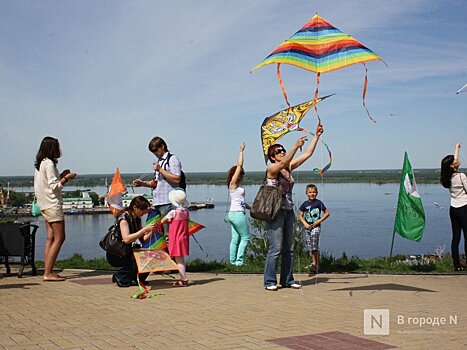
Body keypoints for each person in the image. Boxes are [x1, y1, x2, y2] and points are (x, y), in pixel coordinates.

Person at [263, 122, 324, 291]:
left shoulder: (288, 168)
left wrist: (317, 136)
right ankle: (269, 281)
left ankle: (287, 279)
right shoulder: (272, 168)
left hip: (289, 211)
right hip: (276, 212)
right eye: (279, 151)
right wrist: (294, 146)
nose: (282, 152)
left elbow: (308, 154)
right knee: (276, 248)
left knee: (289, 248)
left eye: (283, 150)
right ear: (273, 157)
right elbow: (283, 164)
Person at [34, 137, 77, 282]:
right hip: (53, 205)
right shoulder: (50, 163)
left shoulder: (41, 163)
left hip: (44, 204)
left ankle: (48, 270)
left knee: (50, 238)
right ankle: (48, 272)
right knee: (60, 237)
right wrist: (67, 178)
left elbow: (47, 183)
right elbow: (55, 186)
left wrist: (61, 175)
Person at [133, 136, 183, 233]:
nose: (154, 153)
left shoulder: (172, 159)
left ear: (162, 146)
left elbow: (177, 179)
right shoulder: (160, 162)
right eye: (152, 151)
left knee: (168, 234)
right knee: (158, 234)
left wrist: (160, 169)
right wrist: (142, 183)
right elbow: (156, 183)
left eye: (155, 150)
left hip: (168, 202)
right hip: (158, 203)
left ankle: (170, 248)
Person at [107, 196, 157, 287]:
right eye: (143, 209)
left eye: (146, 210)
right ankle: (121, 275)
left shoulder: (137, 219)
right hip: (117, 253)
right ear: (135, 208)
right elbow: (126, 239)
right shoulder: (124, 219)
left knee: (151, 257)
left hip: (127, 251)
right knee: (141, 258)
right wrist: (143, 230)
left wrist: (151, 232)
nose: (145, 212)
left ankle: (138, 278)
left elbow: (142, 239)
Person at [440, 143, 467, 271]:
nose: (457, 160)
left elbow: (452, 162)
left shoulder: (447, 178)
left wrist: (457, 148)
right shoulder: (461, 177)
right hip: (464, 208)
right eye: (455, 160)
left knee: (456, 237)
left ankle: (456, 264)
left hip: (453, 209)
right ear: (452, 166)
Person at [226, 143, 250, 266]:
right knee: (245, 237)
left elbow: (240, 201)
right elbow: (239, 165)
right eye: (241, 173)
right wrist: (241, 151)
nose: (242, 176)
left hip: (233, 213)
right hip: (237, 214)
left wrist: (250, 207)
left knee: (236, 239)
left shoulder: (236, 187)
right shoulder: (233, 184)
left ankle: (232, 261)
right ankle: (240, 261)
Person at [160, 189, 190, 286]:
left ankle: (183, 279)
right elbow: (186, 221)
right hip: (184, 238)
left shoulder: (173, 212)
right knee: (181, 259)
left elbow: (162, 221)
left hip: (176, 238)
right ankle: (183, 278)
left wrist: (169, 221)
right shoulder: (186, 212)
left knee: (179, 260)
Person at [298, 184, 330, 273]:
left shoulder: (318, 203)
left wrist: (318, 221)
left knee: (314, 246)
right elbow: (300, 215)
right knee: (311, 246)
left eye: (314, 192)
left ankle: (316, 265)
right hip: (308, 228)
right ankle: (314, 263)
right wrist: (304, 223)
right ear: (306, 193)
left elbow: (327, 213)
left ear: (317, 193)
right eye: (310, 192)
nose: (312, 194)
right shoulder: (305, 204)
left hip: (316, 227)